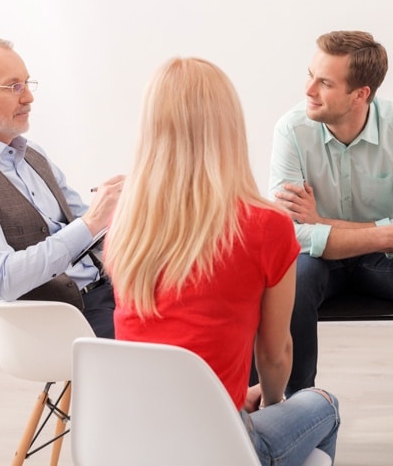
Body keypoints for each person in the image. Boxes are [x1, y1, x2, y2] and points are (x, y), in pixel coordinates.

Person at [107, 57, 339, 466]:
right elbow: (274, 354)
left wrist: (234, 397)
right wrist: (270, 404)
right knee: (324, 403)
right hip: (218, 448)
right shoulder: (265, 226)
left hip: (130, 444)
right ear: (228, 127)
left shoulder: (128, 220)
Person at [270, 30, 393, 466]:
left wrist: (322, 224)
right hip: (319, 266)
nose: (308, 90)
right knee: (294, 269)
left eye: (324, 83)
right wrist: (388, 233)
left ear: (360, 94)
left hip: (383, 268)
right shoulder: (292, 129)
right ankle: (298, 417)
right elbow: (287, 235)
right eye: (310, 76)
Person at [0, 37, 124, 338]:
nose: (28, 97)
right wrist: (92, 221)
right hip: (63, 319)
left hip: (109, 289)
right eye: (13, 86)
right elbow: (4, 279)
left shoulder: (32, 155)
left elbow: (88, 228)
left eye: (27, 83)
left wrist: (128, 216)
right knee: (175, 350)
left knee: (205, 308)